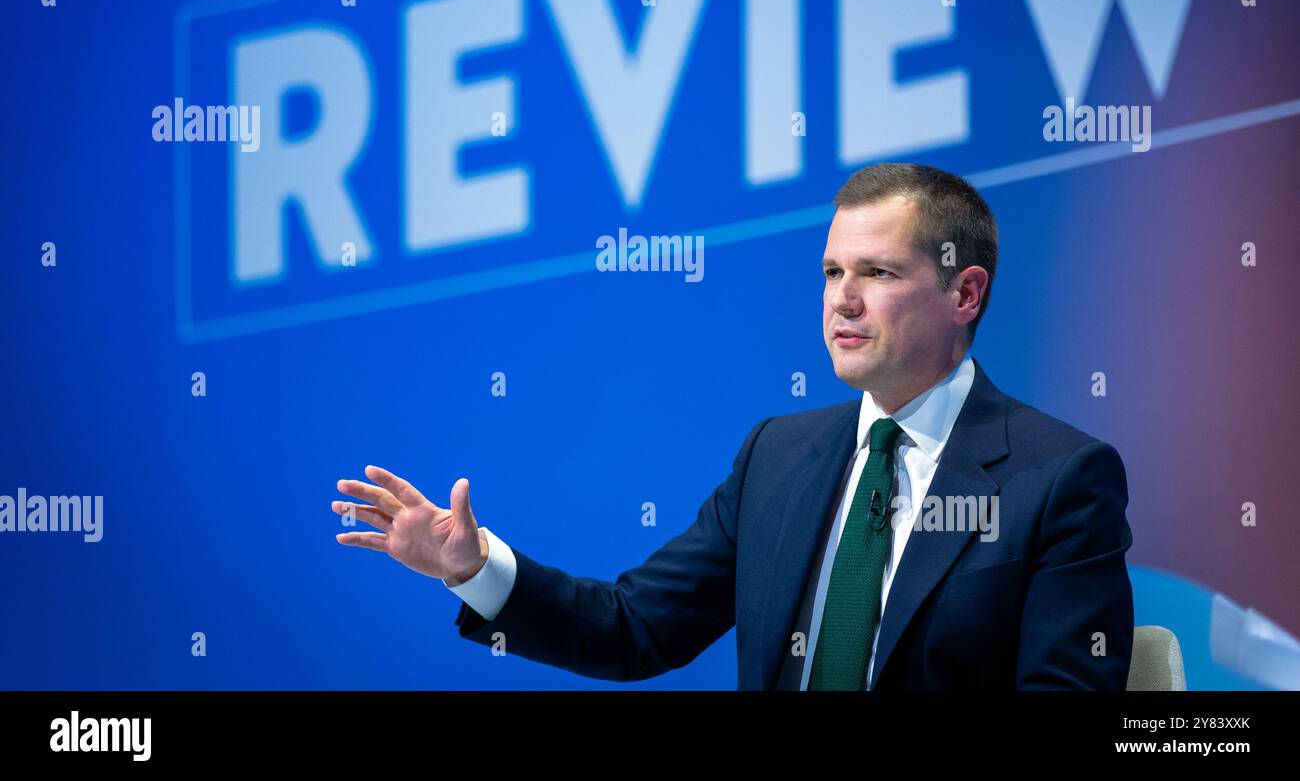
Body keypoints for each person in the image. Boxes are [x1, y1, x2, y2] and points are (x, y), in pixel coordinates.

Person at [333, 162, 1134, 689]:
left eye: (878, 273)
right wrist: (476, 567)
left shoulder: (1056, 477)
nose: (840, 300)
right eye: (831, 272)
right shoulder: (777, 457)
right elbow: (633, 627)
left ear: (965, 294)